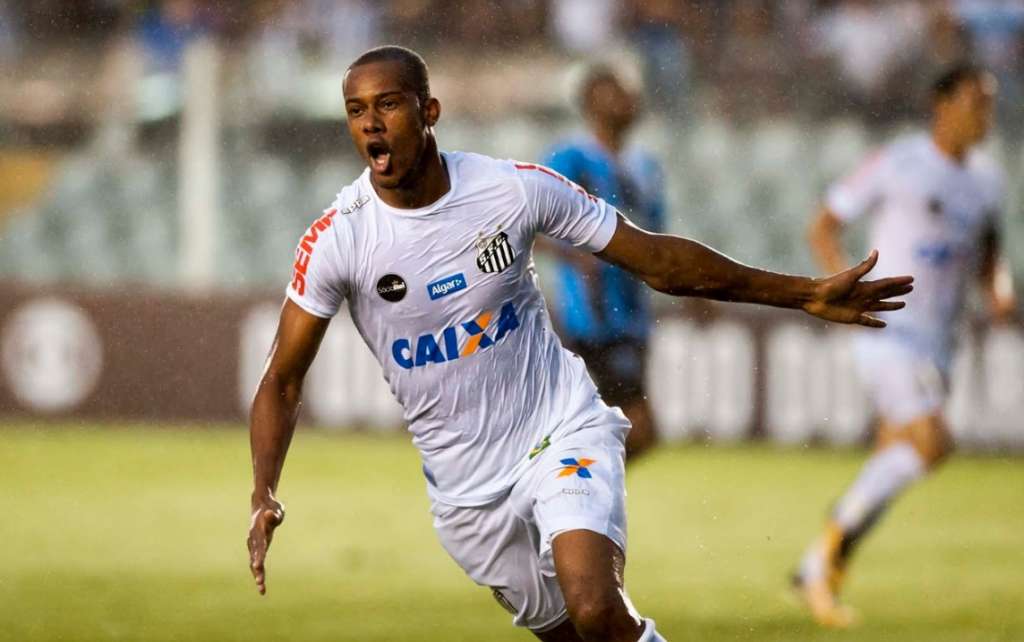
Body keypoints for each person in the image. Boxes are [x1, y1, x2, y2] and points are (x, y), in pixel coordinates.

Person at [246, 45, 912, 642]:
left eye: (387, 104)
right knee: (593, 639)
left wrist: (801, 293)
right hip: (467, 496)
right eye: (355, 109)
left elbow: (658, 261)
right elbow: (282, 377)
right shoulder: (338, 238)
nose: (369, 123)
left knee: (595, 605)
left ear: (430, 111)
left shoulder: (512, 190)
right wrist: (263, 491)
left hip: (560, 427)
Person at [796, 63, 1014, 628]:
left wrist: (998, 289)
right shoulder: (900, 163)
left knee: (899, 456)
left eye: (988, 104)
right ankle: (823, 567)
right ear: (941, 105)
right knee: (932, 442)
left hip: (942, 340)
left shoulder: (988, 179)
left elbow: (991, 247)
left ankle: (810, 567)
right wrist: (843, 289)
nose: (983, 114)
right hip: (890, 330)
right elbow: (823, 224)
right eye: (973, 101)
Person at [540, 64, 663, 458]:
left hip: (632, 315)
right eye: (616, 91)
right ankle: (566, 494)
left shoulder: (646, 166)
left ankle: (571, 497)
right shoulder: (570, 158)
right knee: (637, 427)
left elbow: (658, 238)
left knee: (624, 432)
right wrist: (574, 256)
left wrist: (694, 288)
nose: (628, 99)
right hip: (590, 316)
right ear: (592, 104)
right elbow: (532, 226)